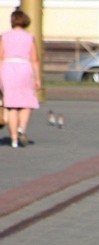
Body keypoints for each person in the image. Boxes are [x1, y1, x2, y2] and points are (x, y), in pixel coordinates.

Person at [0, 10, 41, 148]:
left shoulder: (4, 36)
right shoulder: (29, 37)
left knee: (11, 105)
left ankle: (13, 140)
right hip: (24, 67)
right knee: (26, 102)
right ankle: (21, 128)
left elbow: (0, 56)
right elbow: (35, 60)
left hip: (7, 68)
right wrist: (37, 78)